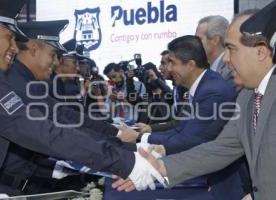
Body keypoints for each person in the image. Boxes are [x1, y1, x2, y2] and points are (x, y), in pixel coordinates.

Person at [0, 0, 162, 198]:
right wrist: (125, 159)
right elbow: (41, 130)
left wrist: (119, 143)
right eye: (9, 38)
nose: (15, 47)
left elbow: (62, 118)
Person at [113, 3, 276, 200]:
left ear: (260, 52)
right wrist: (162, 166)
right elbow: (224, 147)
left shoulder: (226, 91)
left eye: (231, 49)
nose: (225, 60)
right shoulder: (248, 96)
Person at [195, 15, 233, 84]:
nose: (195, 44)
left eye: (199, 39)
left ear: (215, 40)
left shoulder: (230, 69)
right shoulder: (207, 68)